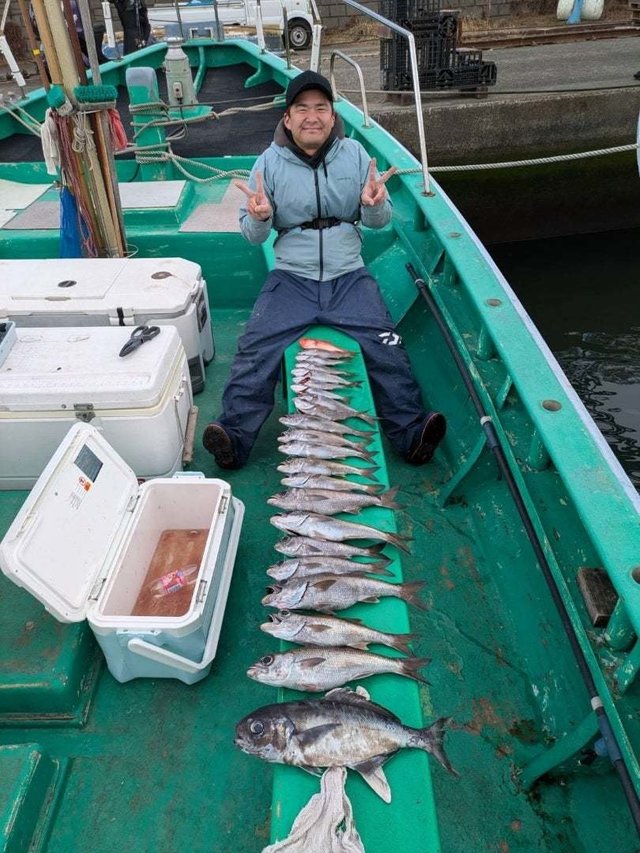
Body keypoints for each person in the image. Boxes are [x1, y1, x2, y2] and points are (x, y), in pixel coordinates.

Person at [202, 70, 446, 470]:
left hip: (349, 276)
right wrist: (260, 217)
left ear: (333, 117)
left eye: (320, 108)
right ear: (287, 119)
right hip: (291, 278)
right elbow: (251, 234)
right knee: (254, 349)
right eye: (302, 109)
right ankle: (234, 438)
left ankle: (411, 435)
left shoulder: (356, 157)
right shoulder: (267, 164)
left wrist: (372, 205)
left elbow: (379, 221)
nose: (311, 116)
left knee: (387, 347)